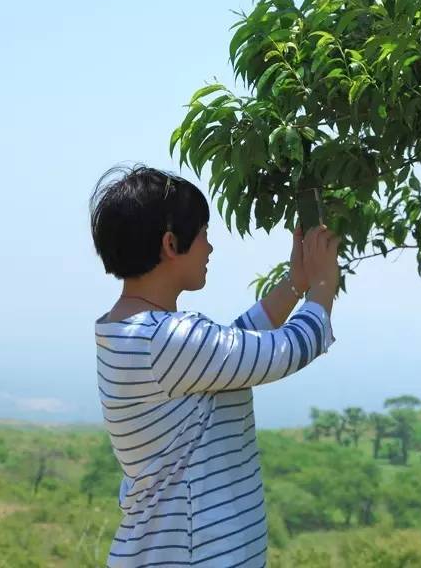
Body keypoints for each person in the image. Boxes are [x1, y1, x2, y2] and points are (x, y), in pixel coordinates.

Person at [88, 164, 339, 567]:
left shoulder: (132, 332)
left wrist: (296, 283)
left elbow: (228, 352)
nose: (209, 247)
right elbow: (286, 350)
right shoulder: (163, 340)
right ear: (171, 244)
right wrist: (325, 286)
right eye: (203, 233)